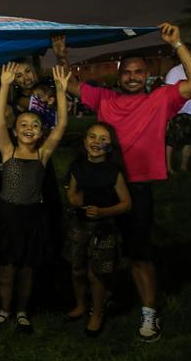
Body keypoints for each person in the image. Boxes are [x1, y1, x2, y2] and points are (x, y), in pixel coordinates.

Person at [64, 23, 191, 342]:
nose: (131, 76)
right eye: (126, 71)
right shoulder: (103, 98)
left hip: (138, 188)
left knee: (140, 255)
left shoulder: (162, 99)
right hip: (102, 187)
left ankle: (149, 313)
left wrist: (178, 43)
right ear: (119, 75)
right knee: (101, 255)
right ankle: (101, 304)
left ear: (146, 75)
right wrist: (62, 55)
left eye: (137, 71)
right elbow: (69, 85)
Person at [0, 63, 70, 334]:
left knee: (26, 269)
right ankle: (4, 310)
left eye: (34, 125)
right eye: (23, 124)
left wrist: (60, 90)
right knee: (7, 269)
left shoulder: (42, 155)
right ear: (16, 130)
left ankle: (22, 311)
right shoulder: (7, 151)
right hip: (7, 216)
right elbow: (0, 120)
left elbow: (61, 125)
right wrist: (4, 86)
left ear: (41, 132)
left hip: (32, 218)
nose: (28, 128)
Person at [64, 122, 131, 337]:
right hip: (79, 226)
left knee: (96, 274)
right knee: (76, 269)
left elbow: (126, 203)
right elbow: (72, 192)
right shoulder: (77, 166)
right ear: (85, 142)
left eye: (103, 139)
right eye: (92, 137)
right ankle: (80, 304)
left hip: (103, 229)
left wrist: (104, 212)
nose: (96, 142)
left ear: (110, 145)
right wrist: (73, 199)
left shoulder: (114, 172)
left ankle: (97, 312)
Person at [165, 48, 191, 173]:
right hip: (180, 113)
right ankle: (168, 167)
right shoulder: (175, 71)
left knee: (190, 142)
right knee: (172, 141)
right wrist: (169, 116)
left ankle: (184, 167)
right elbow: (168, 95)